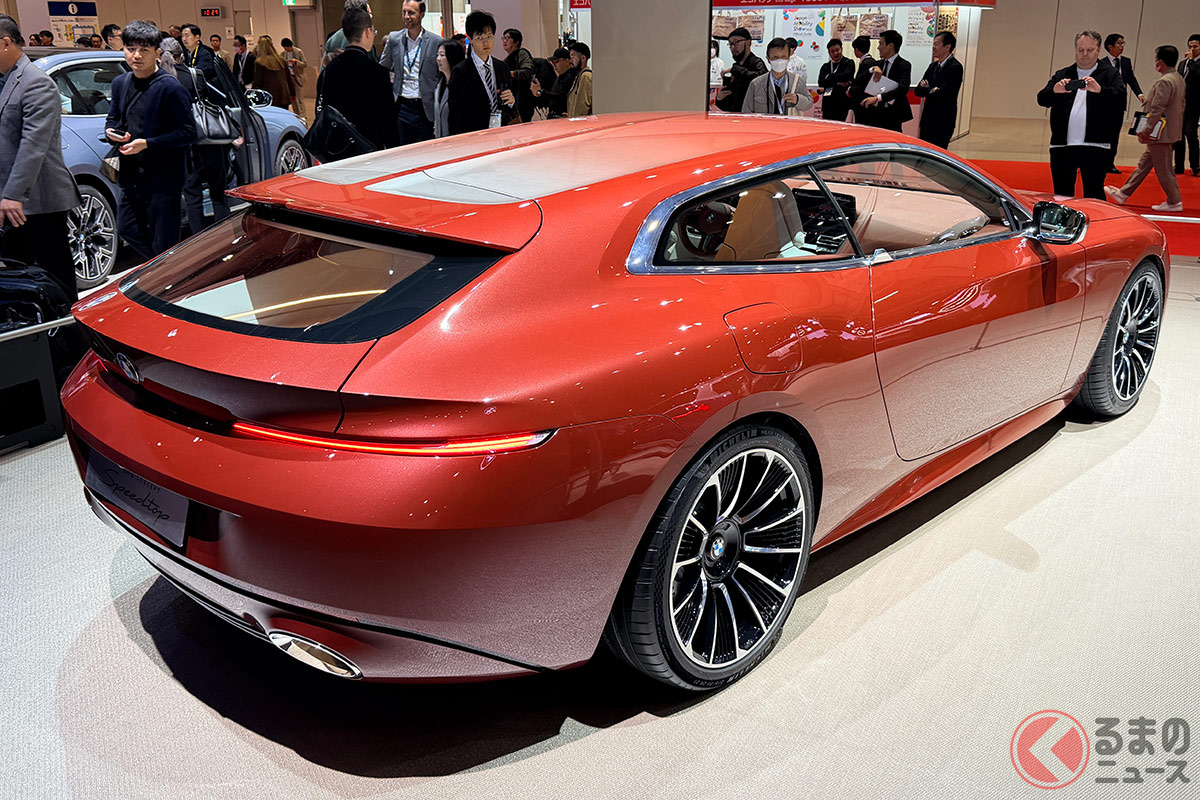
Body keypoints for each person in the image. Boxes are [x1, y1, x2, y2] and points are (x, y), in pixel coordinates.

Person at [0, 14, 83, 302]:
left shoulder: (36, 82)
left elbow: (33, 145)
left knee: (54, 275)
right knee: (17, 276)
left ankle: (68, 326)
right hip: (9, 201)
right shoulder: (3, 81)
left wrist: (13, 194)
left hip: (38, 199)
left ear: (6, 43)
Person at [104, 20, 196, 260]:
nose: (136, 55)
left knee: (163, 241)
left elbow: (189, 133)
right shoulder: (120, 83)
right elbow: (113, 119)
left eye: (143, 50)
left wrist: (147, 143)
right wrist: (112, 133)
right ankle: (161, 268)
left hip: (164, 178)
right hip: (131, 174)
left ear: (157, 53)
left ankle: (166, 272)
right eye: (130, 49)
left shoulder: (170, 87)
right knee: (127, 229)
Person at [1036, 31, 1124, 200]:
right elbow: (1042, 99)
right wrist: (1055, 90)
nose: (1084, 54)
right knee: (1062, 196)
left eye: (1090, 50)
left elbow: (1120, 98)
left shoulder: (1110, 74)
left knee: (1094, 195)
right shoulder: (1063, 74)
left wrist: (1100, 90)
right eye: (1080, 50)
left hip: (1096, 145)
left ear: (1098, 50)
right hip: (1062, 146)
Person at [1106, 46, 1186, 212]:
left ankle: (1174, 201)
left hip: (1160, 133)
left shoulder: (1165, 81)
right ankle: (1124, 193)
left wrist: (1147, 129)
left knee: (1164, 169)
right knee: (1144, 164)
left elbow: (1157, 109)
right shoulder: (1178, 78)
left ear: (1160, 62)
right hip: (1168, 130)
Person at [316, 5, 397, 151]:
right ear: (367, 32)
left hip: (338, 146)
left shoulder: (330, 69)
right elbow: (387, 119)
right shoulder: (377, 72)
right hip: (370, 145)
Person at [380, 0, 442, 144]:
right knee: (403, 149)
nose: (406, 16)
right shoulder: (394, 39)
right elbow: (383, 67)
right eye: (404, 12)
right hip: (402, 105)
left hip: (425, 106)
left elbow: (441, 74)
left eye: (411, 13)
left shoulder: (436, 41)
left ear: (422, 14)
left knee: (427, 148)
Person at [447, 10, 515, 134]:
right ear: (470, 39)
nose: (486, 42)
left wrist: (511, 101)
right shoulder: (461, 72)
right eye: (480, 38)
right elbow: (455, 115)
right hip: (474, 135)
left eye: (489, 37)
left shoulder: (502, 67)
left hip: (501, 132)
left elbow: (509, 105)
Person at [852, 29, 912, 132]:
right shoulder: (878, 64)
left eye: (881, 44)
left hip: (893, 115)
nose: (878, 47)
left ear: (890, 46)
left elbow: (902, 89)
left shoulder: (904, 65)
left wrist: (878, 98)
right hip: (876, 114)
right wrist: (871, 70)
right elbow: (859, 82)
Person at [1102, 33, 1145, 173]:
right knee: (1103, 134)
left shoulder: (1125, 61)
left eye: (1123, 43)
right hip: (1105, 105)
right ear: (1110, 47)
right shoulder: (1101, 64)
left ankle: (1109, 163)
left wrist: (1139, 94)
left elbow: (1131, 79)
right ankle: (1098, 161)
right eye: (1119, 43)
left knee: (1114, 135)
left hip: (1119, 105)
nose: (1122, 46)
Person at [914, 30, 963, 148]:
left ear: (947, 47)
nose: (933, 47)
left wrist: (928, 89)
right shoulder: (932, 66)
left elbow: (946, 94)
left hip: (943, 120)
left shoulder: (955, 67)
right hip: (927, 119)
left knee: (938, 151)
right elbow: (918, 91)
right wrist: (932, 90)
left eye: (936, 44)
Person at [742, 37, 812, 116]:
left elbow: (809, 103)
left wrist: (798, 99)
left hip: (789, 123)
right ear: (768, 59)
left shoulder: (797, 81)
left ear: (789, 58)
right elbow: (746, 111)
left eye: (783, 57)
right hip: (765, 123)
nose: (779, 61)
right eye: (775, 57)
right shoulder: (756, 84)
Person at [715, 27, 765, 113]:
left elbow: (761, 81)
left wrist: (736, 69)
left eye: (736, 42)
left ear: (748, 42)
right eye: (730, 44)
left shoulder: (757, 63)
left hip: (752, 116)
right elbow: (730, 105)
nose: (732, 47)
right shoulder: (736, 67)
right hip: (735, 116)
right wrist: (719, 99)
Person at [1176, 34, 1199, 176]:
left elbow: (1197, 75)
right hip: (1179, 105)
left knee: (1191, 135)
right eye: (1190, 46)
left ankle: (1195, 165)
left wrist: (1191, 62)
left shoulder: (1194, 63)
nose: (1192, 49)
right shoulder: (1182, 63)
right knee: (1178, 136)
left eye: (1195, 46)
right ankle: (1178, 166)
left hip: (1193, 105)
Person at [323, 0, 373, 68]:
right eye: (369, 13)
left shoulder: (331, 40)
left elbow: (324, 68)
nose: (371, 16)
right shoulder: (365, 39)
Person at [432, 38, 465, 138]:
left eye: (442, 55)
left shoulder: (462, 84)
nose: (438, 59)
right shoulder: (439, 84)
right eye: (437, 55)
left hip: (457, 138)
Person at [531, 47, 576, 119]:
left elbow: (560, 97)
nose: (554, 65)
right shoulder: (560, 77)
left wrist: (540, 92)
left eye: (557, 61)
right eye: (553, 62)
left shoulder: (570, 77)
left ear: (567, 61)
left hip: (562, 118)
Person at [501, 28, 534, 122]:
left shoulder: (522, 53)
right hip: (513, 101)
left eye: (508, 38)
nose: (504, 41)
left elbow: (528, 71)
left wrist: (512, 74)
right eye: (503, 38)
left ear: (516, 42)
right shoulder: (506, 60)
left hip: (524, 100)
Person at [817, 38, 854, 122]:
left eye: (837, 50)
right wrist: (837, 83)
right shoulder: (825, 66)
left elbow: (846, 76)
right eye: (832, 51)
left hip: (842, 103)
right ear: (829, 53)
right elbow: (821, 82)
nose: (835, 53)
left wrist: (829, 77)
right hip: (828, 104)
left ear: (842, 49)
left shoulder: (848, 63)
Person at [252, 36, 290, 108]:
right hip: (284, 95)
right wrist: (292, 93)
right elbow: (288, 78)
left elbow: (257, 82)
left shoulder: (259, 62)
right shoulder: (281, 60)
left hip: (269, 97)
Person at [280, 38, 307, 116]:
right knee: (293, 99)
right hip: (289, 78)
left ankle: (303, 116)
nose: (286, 49)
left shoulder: (298, 52)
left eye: (287, 47)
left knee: (300, 99)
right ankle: (296, 115)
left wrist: (296, 62)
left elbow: (304, 64)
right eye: (284, 48)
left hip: (297, 77)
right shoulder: (282, 54)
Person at [566, 41, 592, 117]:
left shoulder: (585, 76)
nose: (570, 61)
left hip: (580, 122)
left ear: (583, 58)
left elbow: (582, 107)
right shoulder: (579, 76)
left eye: (573, 57)